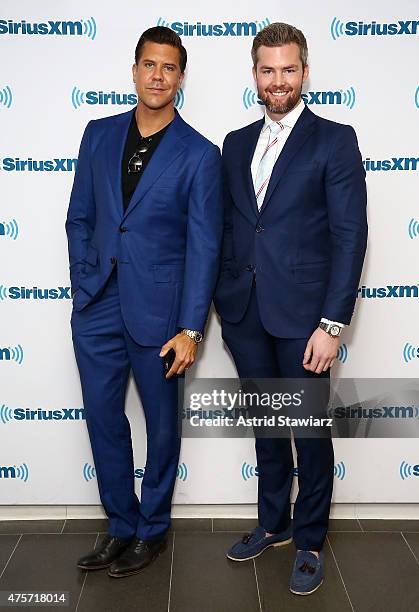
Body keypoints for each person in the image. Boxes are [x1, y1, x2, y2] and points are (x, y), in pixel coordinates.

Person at [214, 22, 367, 595]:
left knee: (306, 431)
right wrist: (225, 302)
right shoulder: (233, 143)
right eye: (267, 69)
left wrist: (331, 324)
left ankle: (308, 540)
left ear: (305, 71)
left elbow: (351, 236)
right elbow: (233, 226)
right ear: (254, 73)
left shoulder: (335, 139)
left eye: (289, 69)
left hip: (306, 319)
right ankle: (273, 522)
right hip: (245, 313)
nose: (278, 81)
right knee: (267, 430)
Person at [66, 26, 222, 578]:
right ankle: (120, 524)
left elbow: (205, 247)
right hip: (97, 306)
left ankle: (152, 529)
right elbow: (80, 215)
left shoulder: (201, 154)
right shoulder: (98, 134)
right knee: (104, 420)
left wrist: (191, 328)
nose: (158, 76)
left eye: (169, 68)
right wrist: (83, 281)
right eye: (149, 65)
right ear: (134, 71)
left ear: (181, 77)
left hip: (161, 315)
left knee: (161, 426)